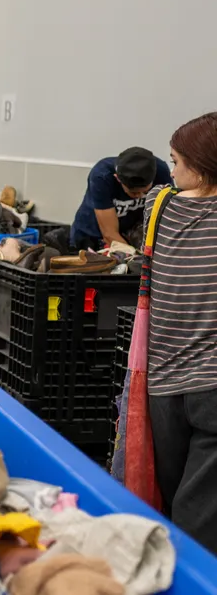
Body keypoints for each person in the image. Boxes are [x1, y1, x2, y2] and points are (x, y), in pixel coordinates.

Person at [145, 112, 217, 552]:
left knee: (175, 503)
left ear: (200, 162)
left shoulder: (161, 205)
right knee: (199, 512)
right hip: (207, 384)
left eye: (175, 161)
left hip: (163, 382)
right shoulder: (165, 199)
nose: (170, 172)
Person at [70, 147, 171, 250]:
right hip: (93, 237)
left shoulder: (161, 171)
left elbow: (168, 217)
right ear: (118, 178)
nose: (140, 196)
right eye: (133, 192)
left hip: (129, 232)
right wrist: (136, 258)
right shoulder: (102, 176)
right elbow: (109, 234)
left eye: (145, 191)